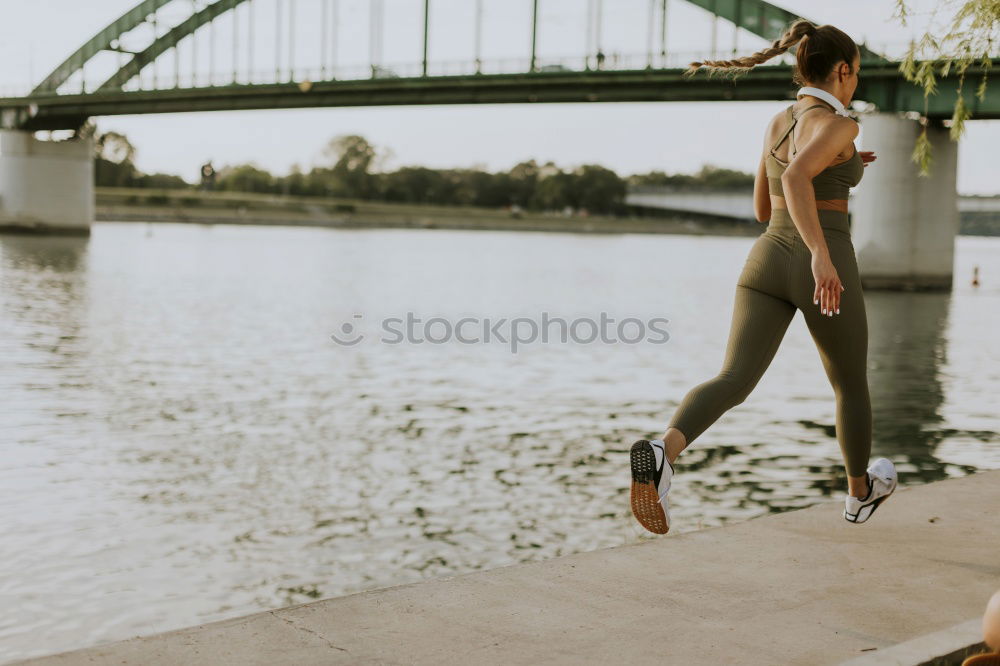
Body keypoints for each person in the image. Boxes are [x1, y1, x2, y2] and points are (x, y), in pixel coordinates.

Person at [629, 19, 898, 536]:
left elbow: (762, 205)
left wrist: (843, 165)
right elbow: (800, 176)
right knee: (849, 384)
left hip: (765, 260)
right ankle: (860, 493)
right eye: (857, 73)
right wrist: (820, 253)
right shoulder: (843, 123)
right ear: (842, 71)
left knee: (734, 378)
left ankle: (665, 451)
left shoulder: (778, 122)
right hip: (823, 263)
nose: (856, 82)